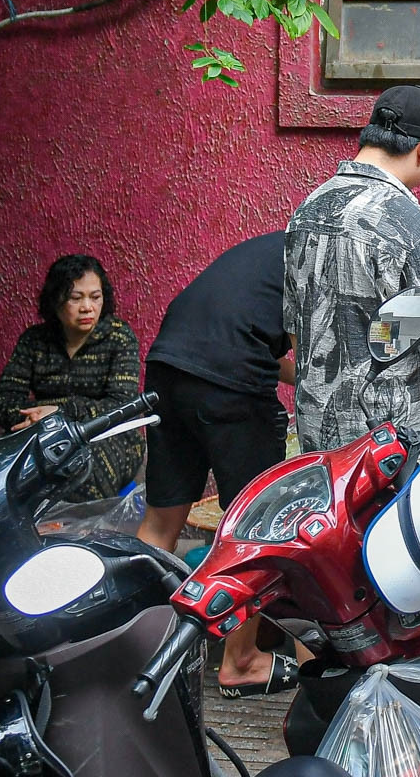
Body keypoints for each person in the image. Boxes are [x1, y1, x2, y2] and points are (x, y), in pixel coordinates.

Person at [137, 231, 302, 697]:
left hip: (169, 360)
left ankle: (136, 648)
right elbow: (309, 354)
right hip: (229, 375)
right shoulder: (324, 253)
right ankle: (241, 662)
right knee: (253, 523)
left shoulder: (270, 250)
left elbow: (273, 353)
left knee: (163, 516)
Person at [285, 84, 420, 454]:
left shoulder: (306, 212)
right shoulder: (413, 224)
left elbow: (299, 335)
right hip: (391, 449)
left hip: (318, 442)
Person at [0, 254, 145, 502]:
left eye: (95, 297)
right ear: (55, 300)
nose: (87, 307)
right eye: (75, 298)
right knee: (0, 479)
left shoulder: (118, 337)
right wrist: (39, 418)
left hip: (107, 435)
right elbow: (1, 401)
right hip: (43, 432)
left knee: (83, 470)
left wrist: (59, 412)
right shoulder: (35, 341)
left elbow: (121, 404)